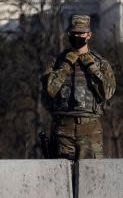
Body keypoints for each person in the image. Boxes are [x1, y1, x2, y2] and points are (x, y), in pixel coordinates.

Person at [43, 14, 116, 159]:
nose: (77, 36)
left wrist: (92, 68)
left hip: (90, 130)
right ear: (68, 34)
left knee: (92, 177)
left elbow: (107, 92)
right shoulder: (56, 62)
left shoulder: (101, 64)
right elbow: (48, 92)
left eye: (81, 33)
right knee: (62, 177)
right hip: (63, 130)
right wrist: (65, 67)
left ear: (89, 35)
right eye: (74, 33)